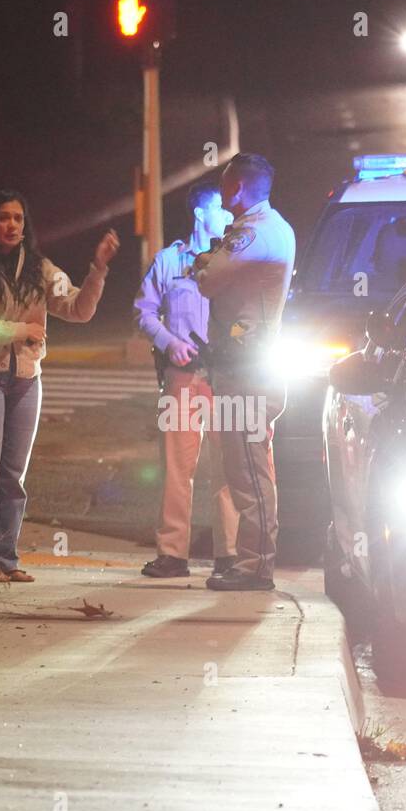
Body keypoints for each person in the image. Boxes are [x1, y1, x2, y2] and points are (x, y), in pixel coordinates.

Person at [0, 190, 119, 582]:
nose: (12, 226)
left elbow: (78, 309)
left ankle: (6, 559)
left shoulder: (39, 269)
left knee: (13, 474)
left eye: (18, 219)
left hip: (27, 379)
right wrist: (20, 329)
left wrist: (97, 270)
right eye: (3, 218)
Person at [192, 153, 296, 592]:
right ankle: (252, 563)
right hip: (241, 366)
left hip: (248, 371)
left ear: (236, 187)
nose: (222, 191)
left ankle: (255, 567)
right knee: (242, 470)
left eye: (225, 183)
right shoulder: (270, 228)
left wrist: (205, 262)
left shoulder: (255, 233)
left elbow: (208, 278)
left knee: (249, 473)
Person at [134, 182, 239, 579]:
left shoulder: (233, 262)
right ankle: (172, 554)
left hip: (225, 376)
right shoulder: (169, 261)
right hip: (182, 377)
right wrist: (169, 342)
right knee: (177, 468)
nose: (228, 216)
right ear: (200, 214)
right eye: (220, 209)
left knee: (228, 468)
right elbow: (143, 313)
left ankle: (228, 555)